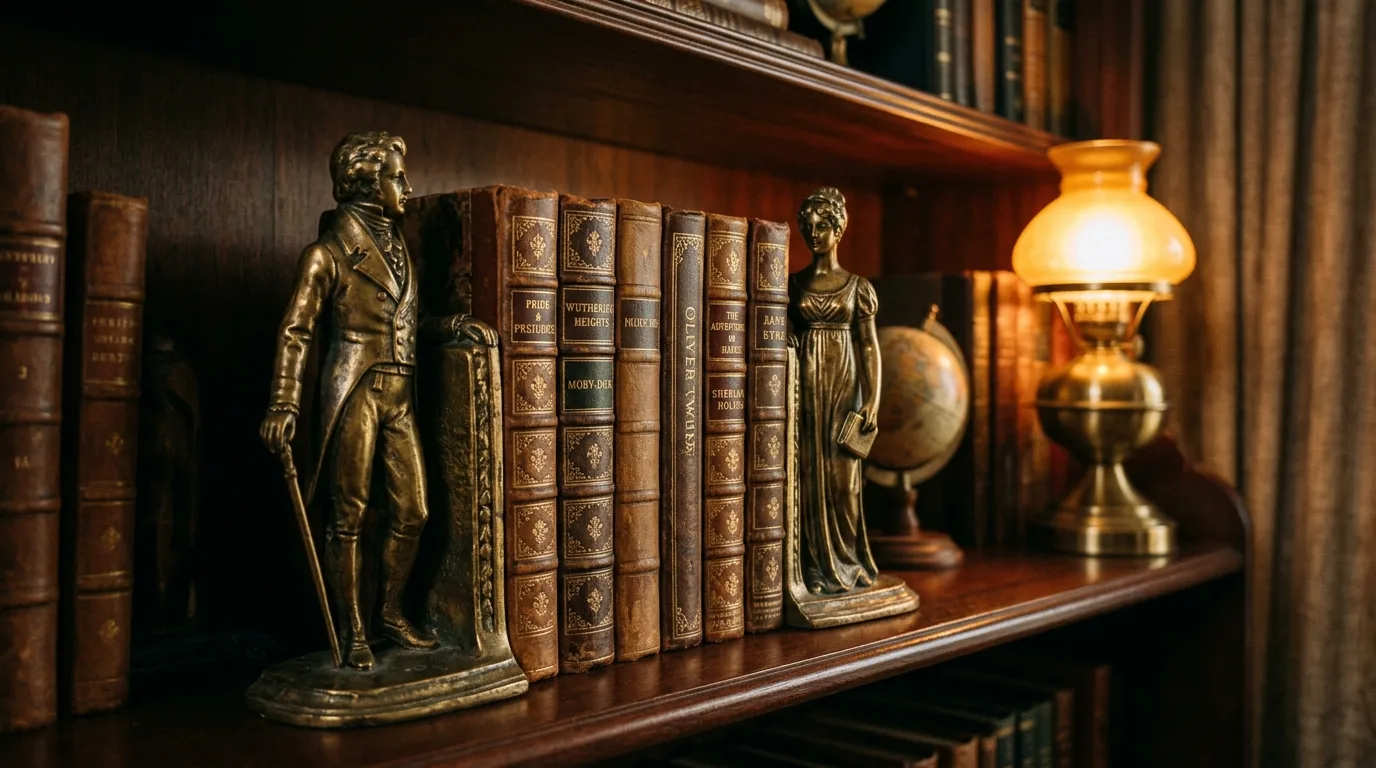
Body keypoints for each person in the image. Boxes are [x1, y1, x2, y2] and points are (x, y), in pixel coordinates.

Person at [259, 131, 487, 669]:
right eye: (395, 175)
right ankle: (353, 629)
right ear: (363, 183)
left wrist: (447, 325)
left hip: (401, 393)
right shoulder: (328, 254)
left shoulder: (398, 243)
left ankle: (388, 611)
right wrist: (284, 403)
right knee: (350, 515)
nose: (406, 185)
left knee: (414, 509)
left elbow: (408, 319)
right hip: (356, 392)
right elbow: (296, 331)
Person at [788, 187, 882, 594]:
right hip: (806, 391)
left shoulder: (856, 286)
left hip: (845, 390)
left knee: (845, 484)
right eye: (807, 226)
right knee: (808, 477)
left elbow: (868, 346)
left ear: (838, 229)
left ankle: (849, 563)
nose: (814, 232)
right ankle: (815, 568)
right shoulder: (793, 285)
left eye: (823, 225)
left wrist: (874, 399)